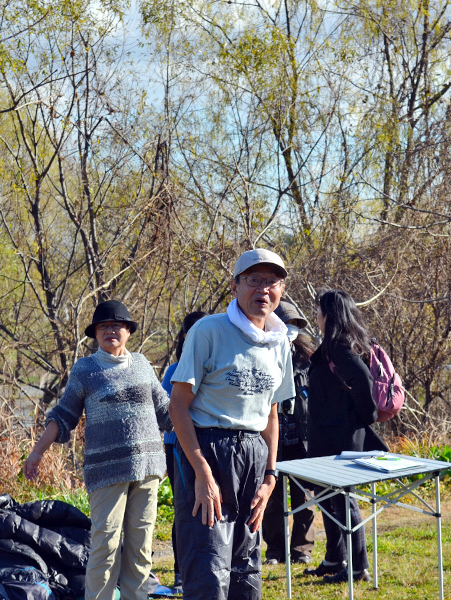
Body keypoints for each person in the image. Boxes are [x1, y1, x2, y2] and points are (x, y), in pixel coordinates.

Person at [23, 300, 172, 600]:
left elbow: (168, 412)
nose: (110, 331)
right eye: (103, 326)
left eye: (117, 325)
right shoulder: (86, 370)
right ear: (95, 334)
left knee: (140, 548)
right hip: (106, 472)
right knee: (105, 545)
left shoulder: (143, 364)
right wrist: (37, 452)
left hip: (148, 470)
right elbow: (63, 415)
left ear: (128, 331)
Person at [169, 248, 295, 600]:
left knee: (245, 573)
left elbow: (271, 414)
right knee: (208, 573)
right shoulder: (209, 331)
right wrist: (202, 473)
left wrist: (270, 477)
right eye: (254, 280)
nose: (263, 290)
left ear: (281, 289)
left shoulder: (279, 342)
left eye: (271, 282)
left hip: (253, 455)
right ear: (235, 286)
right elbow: (178, 405)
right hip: (207, 450)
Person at [303, 289, 387, 584]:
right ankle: (334, 558)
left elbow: (363, 379)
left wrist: (367, 417)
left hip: (339, 440)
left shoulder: (339, 346)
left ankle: (357, 567)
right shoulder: (338, 345)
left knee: (343, 501)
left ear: (329, 315)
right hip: (329, 438)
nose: (316, 317)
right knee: (328, 498)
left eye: (318, 312)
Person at [261, 300, 315, 565]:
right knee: (272, 499)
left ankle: (302, 550)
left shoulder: (308, 360)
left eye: (296, 324)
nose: (292, 329)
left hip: (301, 440)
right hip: (271, 440)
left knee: (304, 498)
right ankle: (275, 550)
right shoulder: (262, 354)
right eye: (287, 324)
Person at [160, 310, 209, 593]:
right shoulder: (175, 370)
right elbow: (170, 410)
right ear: (184, 337)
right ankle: (181, 573)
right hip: (176, 446)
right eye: (193, 331)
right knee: (184, 507)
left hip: (209, 444)